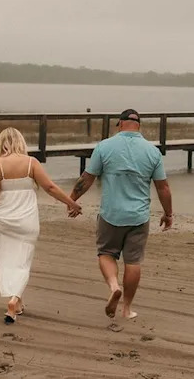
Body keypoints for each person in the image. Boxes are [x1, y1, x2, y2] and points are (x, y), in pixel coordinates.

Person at [69, 108, 173, 321]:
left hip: (111, 214)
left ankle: (114, 286)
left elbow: (86, 179)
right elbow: (163, 188)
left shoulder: (105, 146)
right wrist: (168, 213)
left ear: (120, 124)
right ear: (139, 126)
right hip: (139, 216)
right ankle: (127, 308)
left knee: (106, 253)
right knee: (133, 262)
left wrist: (71, 200)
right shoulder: (152, 151)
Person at [0, 127, 82, 324]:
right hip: (27, 220)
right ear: (21, 141)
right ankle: (15, 301)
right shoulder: (31, 163)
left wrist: (3, 193)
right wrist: (71, 203)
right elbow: (50, 187)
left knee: (8, 259)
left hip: (5, 219)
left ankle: (14, 299)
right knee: (23, 261)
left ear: (1, 142)